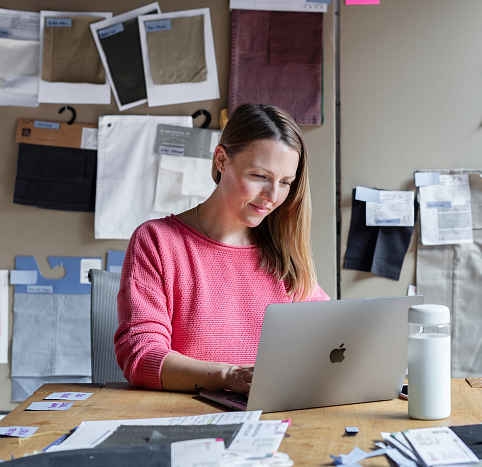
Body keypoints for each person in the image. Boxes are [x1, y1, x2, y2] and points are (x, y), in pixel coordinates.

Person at [115, 104, 329, 394]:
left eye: (285, 182)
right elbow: (140, 358)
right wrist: (229, 376)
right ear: (221, 160)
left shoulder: (283, 254)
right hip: (185, 419)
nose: (272, 196)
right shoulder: (157, 240)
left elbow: (331, 338)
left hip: (272, 418)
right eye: (260, 176)